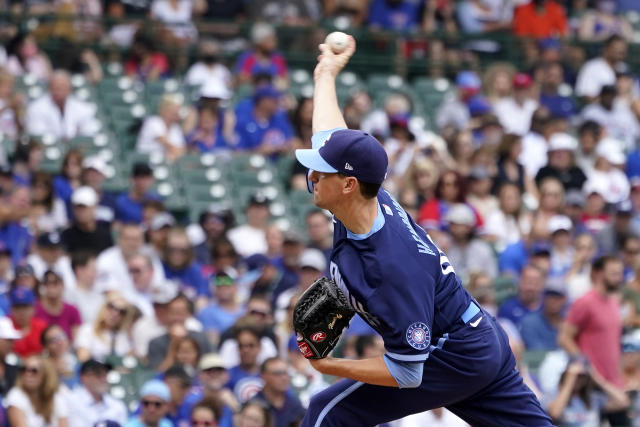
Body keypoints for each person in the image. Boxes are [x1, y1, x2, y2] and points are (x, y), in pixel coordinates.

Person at [292, 36, 551, 425]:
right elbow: (331, 136)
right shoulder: (364, 198)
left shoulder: (390, 267)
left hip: (453, 354)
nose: (310, 174)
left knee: (327, 412)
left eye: (319, 170)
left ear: (347, 185)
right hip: (479, 338)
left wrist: (333, 366)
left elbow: (407, 374)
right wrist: (325, 73)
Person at [558, 256, 625, 387]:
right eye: (614, 274)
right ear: (598, 274)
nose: (619, 278)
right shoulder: (585, 302)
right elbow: (564, 338)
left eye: (620, 273)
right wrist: (586, 367)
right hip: (592, 384)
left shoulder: (614, 302)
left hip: (614, 382)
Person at [24, 70, 99, 140]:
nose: (59, 91)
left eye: (62, 87)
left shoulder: (83, 108)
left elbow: (90, 133)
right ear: (49, 88)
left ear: (70, 89)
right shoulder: (36, 108)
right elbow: (38, 134)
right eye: (56, 87)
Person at [6, 355, 68, 427]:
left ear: (45, 375)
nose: (28, 374)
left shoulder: (56, 398)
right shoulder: (15, 395)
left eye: (34, 371)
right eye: (23, 369)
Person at [74, 293, 134, 362]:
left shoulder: (123, 336)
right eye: (111, 307)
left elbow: (130, 361)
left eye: (121, 312)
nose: (115, 314)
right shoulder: (88, 330)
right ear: (104, 307)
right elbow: (83, 359)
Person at [67, 359, 127, 427]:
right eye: (98, 374)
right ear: (83, 377)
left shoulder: (117, 405)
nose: (103, 378)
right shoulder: (69, 401)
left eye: (105, 373)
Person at [253, 357, 305, 427]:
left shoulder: (294, 403)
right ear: (264, 376)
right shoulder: (254, 405)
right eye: (277, 374)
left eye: (285, 373)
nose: (284, 378)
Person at [33, 270, 81, 340]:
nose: (51, 287)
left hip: (67, 349)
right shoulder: (35, 308)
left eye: (55, 283)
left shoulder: (72, 310)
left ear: (63, 285)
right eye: (47, 283)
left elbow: (76, 338)